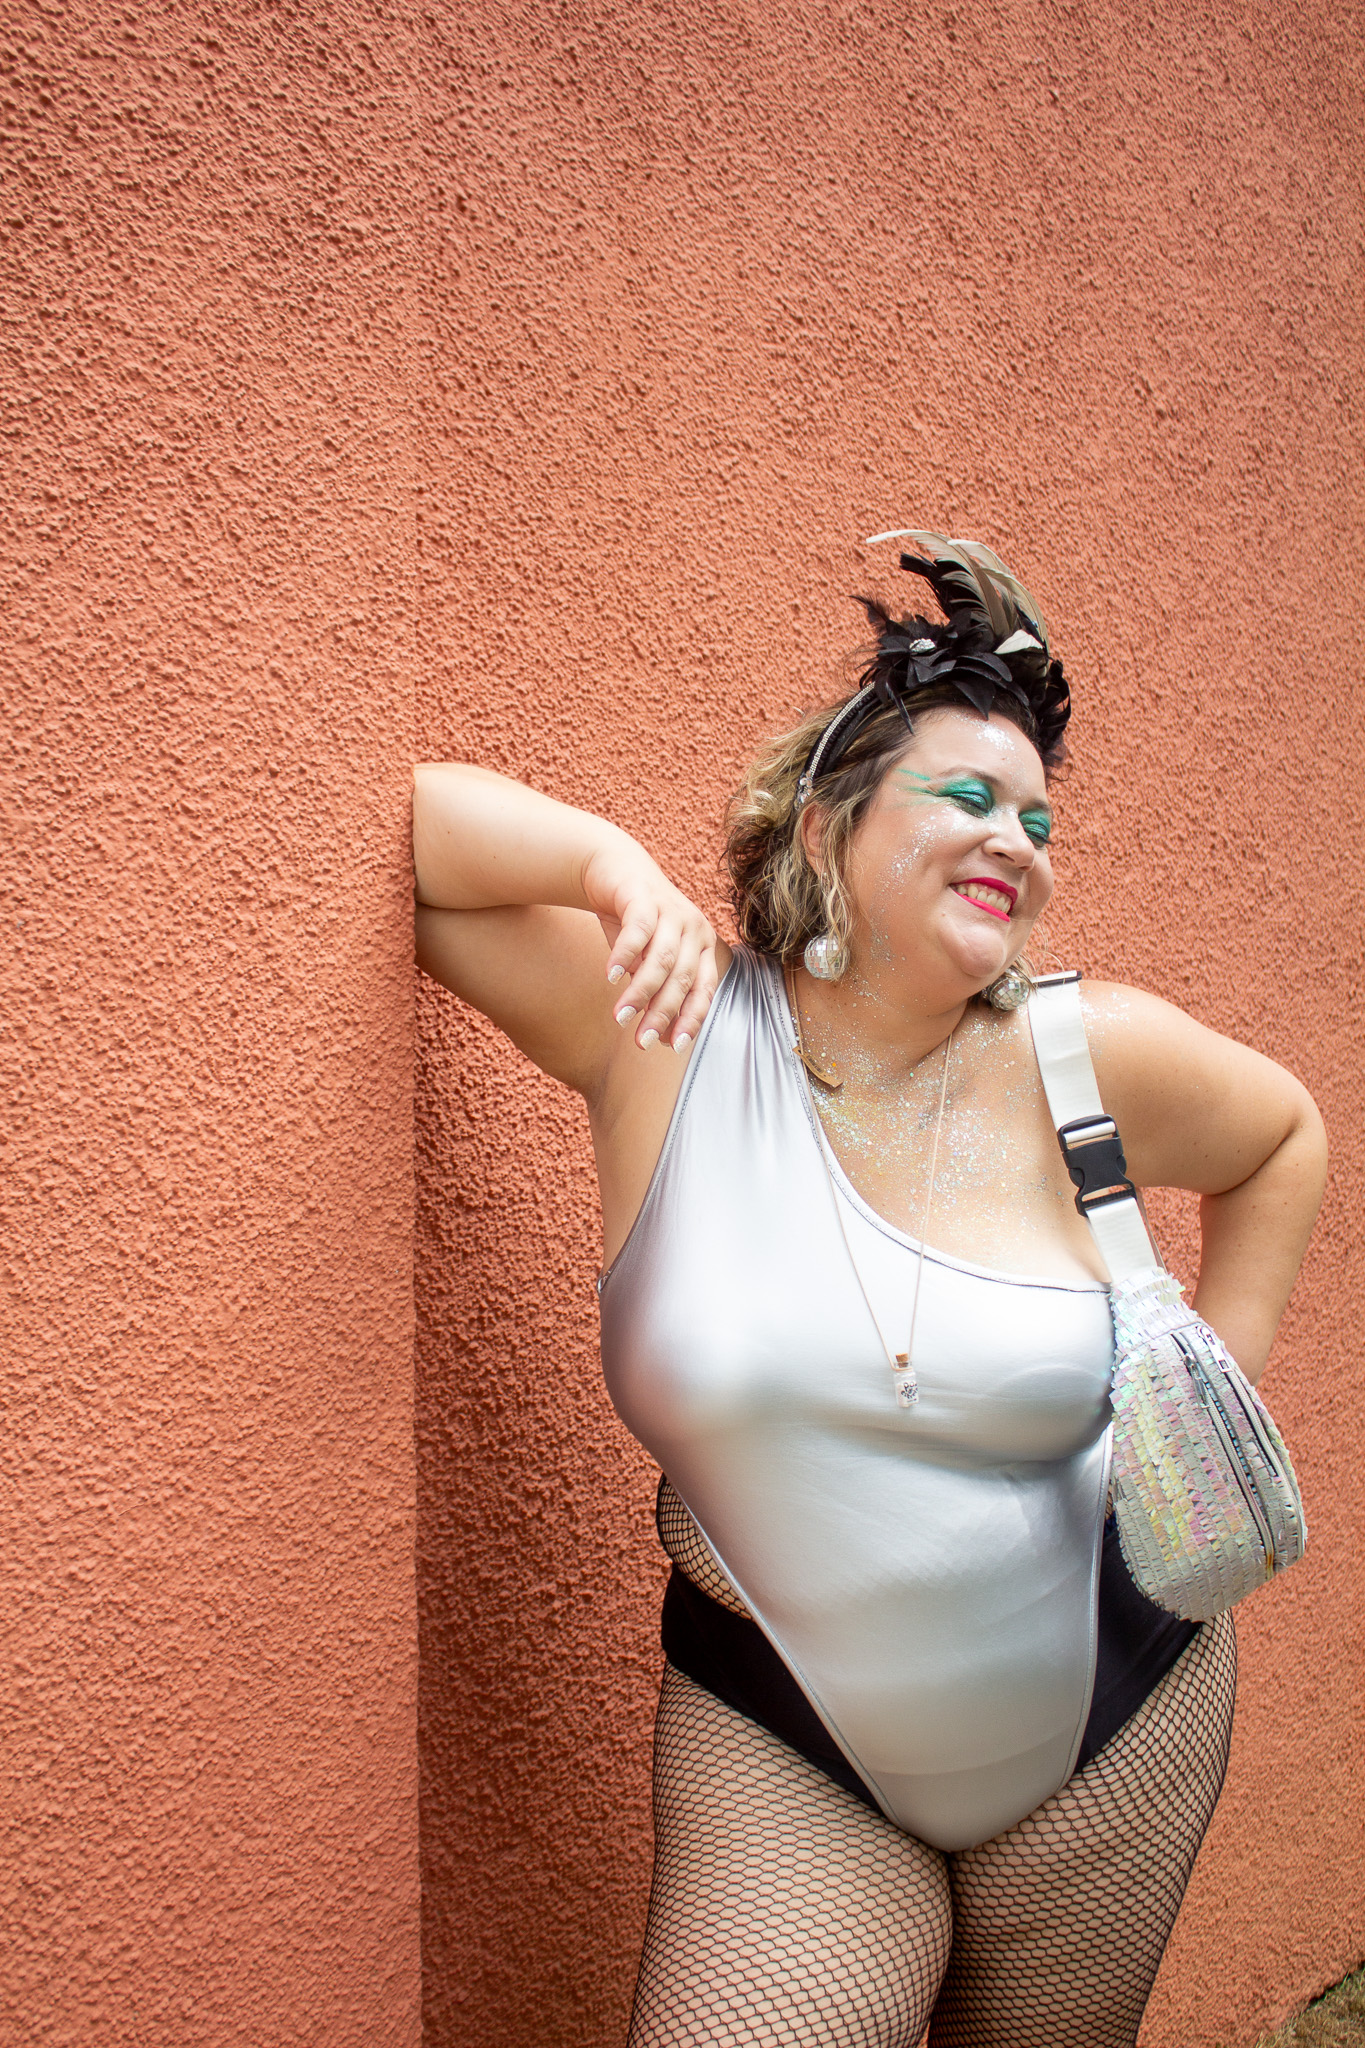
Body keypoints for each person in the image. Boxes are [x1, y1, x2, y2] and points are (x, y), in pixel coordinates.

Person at [412, 532, 1326, 2048]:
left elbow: (1283, 1137)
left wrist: (1203, 1406)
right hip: (789, 1744)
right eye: (967, 797)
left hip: (1115, 1710)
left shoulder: (1083, 1054)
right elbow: (413, 841)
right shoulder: (670, 1033)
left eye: (1036, 818)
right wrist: (600, 863)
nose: (1018, 840)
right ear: (828, 825)